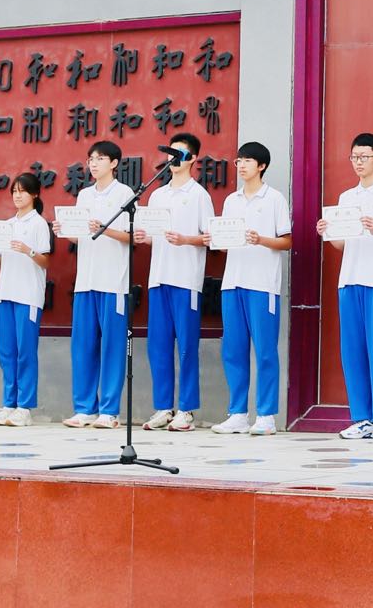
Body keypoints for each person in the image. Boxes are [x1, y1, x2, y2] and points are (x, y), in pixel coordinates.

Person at [318, 132, 373, 442]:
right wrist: (328, 232)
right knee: (352, 352)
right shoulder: (347, 198)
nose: (358, 162)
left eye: (364, 157)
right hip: (349, 281)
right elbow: (343, 245)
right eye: (354, 157)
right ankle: (362, 419)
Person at [214, 141, 293, 435]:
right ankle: (237, 413)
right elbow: (226, 243)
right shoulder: (231, 200)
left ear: (262, 166)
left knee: (265, 351)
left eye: (247, 160)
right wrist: (216, 240)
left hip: (262, 285)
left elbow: (287, 241)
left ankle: (266, 415)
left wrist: (261, 240)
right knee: (233, 351)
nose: (241, 165)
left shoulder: (274, 199)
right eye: (239, 161)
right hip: (232, 282)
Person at [138, 131, 214, 432]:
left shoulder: (199, 195)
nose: (174, 159)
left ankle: (187, 409)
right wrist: (144, 237)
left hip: (186, 280)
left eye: (180, 154)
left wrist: (185, 239)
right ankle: (163, 407)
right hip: (159, 278)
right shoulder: (158, 194)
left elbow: (210, 238)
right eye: (171, 153)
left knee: (186, 346)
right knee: (158, 346)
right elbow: (152, 234)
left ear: (193, 159)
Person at [65, 140, 134, 429]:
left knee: (113, 347)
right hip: (86, 281)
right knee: (83, 347)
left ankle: (109, 410)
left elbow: (131, 236)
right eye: (91, 159)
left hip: (113, 282)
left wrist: (105, 230)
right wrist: (66, 231)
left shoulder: (125, 193)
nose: (93, 164)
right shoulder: (84, 195)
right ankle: (84, 409)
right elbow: (80, 236)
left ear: (114, 163)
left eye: (100, 158)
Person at [0, 173, 52, 428]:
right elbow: (1, 262)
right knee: (7, 352)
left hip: (28, 295)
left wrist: (28, 250)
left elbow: (45, 260)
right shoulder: (7, 224)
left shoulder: (39, 224)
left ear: (34, 194)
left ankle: (24, 407)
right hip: (6, 294)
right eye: (14, 191)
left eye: (22, 191)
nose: (17, 196)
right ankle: (9, 404)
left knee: (25, 351)